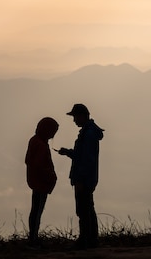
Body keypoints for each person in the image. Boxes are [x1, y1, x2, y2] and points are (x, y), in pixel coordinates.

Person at [58, 103, 104, 249]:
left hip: (84, 178)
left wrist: (81, 180)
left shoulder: (88, 134)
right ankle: (91, 239)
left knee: (83, 209)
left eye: (75, 117)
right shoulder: (88, 132)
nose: (74, 120)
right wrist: (68, 152)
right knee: (88, 208)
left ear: (83, 116)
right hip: (87, 177)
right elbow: (82, 155)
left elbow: (86, 160)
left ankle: (86, 240)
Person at [25, 116, 59, 249]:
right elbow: (39, 165)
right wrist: (51, 176)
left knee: (36, 210)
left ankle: (33, 237)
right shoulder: (40, 144)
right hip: (40, 183)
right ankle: (33, 238)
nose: (53, 135)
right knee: (37, 211)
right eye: (52, 131)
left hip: (37, 182)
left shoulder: (36, 141)